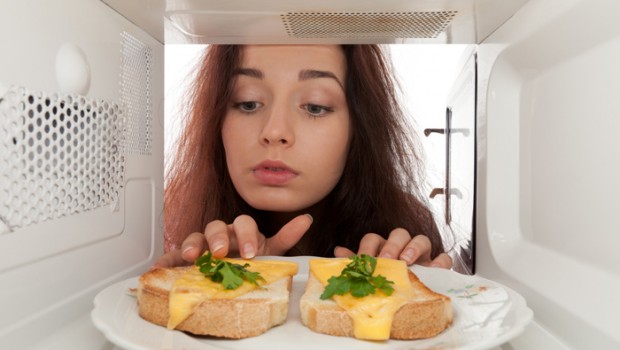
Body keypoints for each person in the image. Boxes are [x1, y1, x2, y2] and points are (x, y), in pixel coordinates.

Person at [155, 44, 452, 269]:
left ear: (359, 128)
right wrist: (210, 295)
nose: (274, 131)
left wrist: (418, 299)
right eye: (247, 103)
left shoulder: (406, 224)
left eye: (314, 107)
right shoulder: (168, 222)